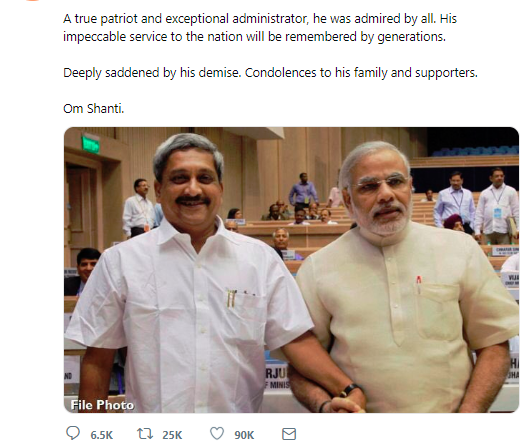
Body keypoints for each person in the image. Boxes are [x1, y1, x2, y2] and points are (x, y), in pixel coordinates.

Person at [66, 133, 361, 413]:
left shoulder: (260, 260)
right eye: (179, 178)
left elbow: (294, 340)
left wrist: (347, 388)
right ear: (158, 189)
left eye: (204, 178)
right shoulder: (121, 261)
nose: (193, 190)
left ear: (220, 188)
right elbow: (98, 361)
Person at [289, 141, 518, 413]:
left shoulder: (461, 249)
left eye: (395, 182)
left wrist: (467, 418)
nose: (386, 194)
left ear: (410, 187)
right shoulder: (318, 268)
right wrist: (325, 406)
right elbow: (302, 364)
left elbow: (493, 343)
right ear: (348, 199)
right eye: (369, 186)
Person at [474, 168, 519, 245]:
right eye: (497, 176)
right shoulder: (485, 193)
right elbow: (479, 213)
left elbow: (517, 211)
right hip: (488, 231)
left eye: (501, 176)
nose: (499, 178)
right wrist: (477, 230)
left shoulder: (511, 191)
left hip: (505, 231)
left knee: (505, 253)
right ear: (491, 178)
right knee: (488, 252)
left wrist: (518, 228)